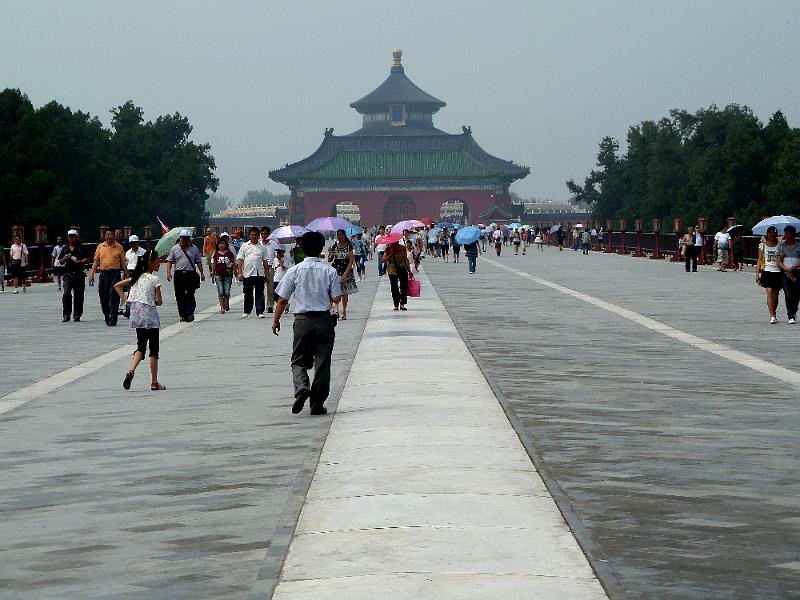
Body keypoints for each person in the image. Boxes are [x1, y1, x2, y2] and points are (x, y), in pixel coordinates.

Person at [272, 231, 342, 416]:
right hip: (324, 321)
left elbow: (281, 300)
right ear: (321, 249)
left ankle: (302, 387)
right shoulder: (330, 270)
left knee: (298, 361)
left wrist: (276, 320)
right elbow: (336, 298)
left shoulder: (294, 270)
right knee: (323, 363)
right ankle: (317, 405)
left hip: (302, 321)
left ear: (301, 247)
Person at [115, 250, 165, 391]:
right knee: (154, 349)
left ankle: (131, 370)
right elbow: (159, 301)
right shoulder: (155, 279)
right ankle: (154, 382)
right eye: (157, 261)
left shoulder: (135, 278)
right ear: (151, 263)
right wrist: (155, 301)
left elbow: (117, 286)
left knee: (141, 346)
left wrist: (127, 301)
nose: (159, 263)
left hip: (136, 314)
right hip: (150, 316)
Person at [88, 230, 127, 324]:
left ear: (114, 236)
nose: (109, 236)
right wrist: (91, 274)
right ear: (105, 236)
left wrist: (126, 275)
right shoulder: (100, 246)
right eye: (107, 235)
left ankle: (113, 317)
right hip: (104, 274)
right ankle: (107, 314)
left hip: (115, 274)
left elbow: (123, 263)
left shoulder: (119, 247)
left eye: (111, 235)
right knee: (103, 295)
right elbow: (96, 261)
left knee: (114, 296)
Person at [165, 230, 205, 322]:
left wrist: (202, 273)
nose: (185, 240)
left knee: (190, 294)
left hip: (190, 274)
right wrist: (168, 273)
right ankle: (183, 314)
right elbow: (169, 261)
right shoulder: (174, 248)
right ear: (180, 238)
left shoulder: (194, 248)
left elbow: (198, 262)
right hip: (179, 274)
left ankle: (190, 312)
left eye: (187, 238)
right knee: (179, 295)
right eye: (183, 238)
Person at [236, 227, 269, 318]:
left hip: (259, 273)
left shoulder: (262, 247)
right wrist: (239, 273)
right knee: (248, 293)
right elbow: (240, 260)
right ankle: (247, 311)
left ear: (259, 236)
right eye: (252, 235)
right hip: (248, 273)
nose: (254, 236)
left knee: (260, 293)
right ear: (249, 235)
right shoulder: (244, 246)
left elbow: (265, 261)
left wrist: (267, 274)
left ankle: (260, 312)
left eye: (256, 235)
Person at [58, 229, 89, 322]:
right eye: (70, 236)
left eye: (73, 236)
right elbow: (60, 261)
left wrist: (80, 261)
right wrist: (65, 258)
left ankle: (77, 314)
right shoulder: (65, 248)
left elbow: (87, 258)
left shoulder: (81, 247)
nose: (71, 238)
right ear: (67, 238)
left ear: (77, 237)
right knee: (66, 294)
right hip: (68, 274)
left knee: (79, 295)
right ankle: (66, 314)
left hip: (79, 273)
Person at [328, 229, 357, 320]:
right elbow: (330, 260)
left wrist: (345, 273)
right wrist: (330, 252)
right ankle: (336, 311)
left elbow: (351, 261)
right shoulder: (335, 246)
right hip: (336, 271)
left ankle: (344, 311)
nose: (339, 236)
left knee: (344, 293)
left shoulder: (349, 246)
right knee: (335, 291)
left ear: (344, 236)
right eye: (338, 235)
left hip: (346, 271)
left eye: (341, 235)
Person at [756, 226, 782, 324]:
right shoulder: (763, 245)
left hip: (777, 271)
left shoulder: (780, 244)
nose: (772, 235)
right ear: (767, 234)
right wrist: (757, 273)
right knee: (769, 292)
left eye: (774, 233)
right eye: (770, 233)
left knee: (775, 295)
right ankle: (772, 315)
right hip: (767, 271)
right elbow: (759, 259)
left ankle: (774, 312)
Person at [777, 225, 800, 324]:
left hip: (797, 271)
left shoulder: (799, 245)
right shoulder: (782, 246)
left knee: (796, 293)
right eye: (785, 233)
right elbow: (778, 260)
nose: (786, 236)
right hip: (785, 272)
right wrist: (786, 268)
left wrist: (792, 268)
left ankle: (794, 311)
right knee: (788, 293)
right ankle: (790, 315)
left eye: (788, 233)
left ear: (794, 234)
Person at [383, 237, 410, 310]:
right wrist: (390, 255)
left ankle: (402, 303)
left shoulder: (402, 248)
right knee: (394, 287)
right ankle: (396, 303)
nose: (396, 243)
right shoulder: (388, 249)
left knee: (404, 286)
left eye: (397, 241)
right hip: (392, 270)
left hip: (402, 268)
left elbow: (405, 259)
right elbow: (383, 260)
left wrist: (409, 270)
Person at [212, 236, 236, 314]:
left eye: (223, 243)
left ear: (226, 245)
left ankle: (226, 303)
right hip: (218, 275)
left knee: (227, 291)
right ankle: (222, 307)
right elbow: (214, 264)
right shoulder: (216, 254)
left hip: (228, 275)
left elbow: (233, 263)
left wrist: (236, 273)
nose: (221, 245)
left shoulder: (229, 254)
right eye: (220, 243)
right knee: (220, 291)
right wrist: (213, 273)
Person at [260, 226, 277, 313]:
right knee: (260, 288)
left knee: (270, 289)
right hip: (260, 268)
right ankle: (261, 306)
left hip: (270, 268)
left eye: (265, 233)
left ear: (269, 234)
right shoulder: (259, 244)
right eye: (262, 233)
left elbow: (278, 255)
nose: (263, 235)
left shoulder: (273, 244)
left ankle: (270, 305)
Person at [272, 246, 294, 312]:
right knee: (274, 294)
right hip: (276, 278)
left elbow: (283, 268)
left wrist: (280, 261)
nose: (278, 253)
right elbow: (274, 269)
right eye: (277, 252)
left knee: (282, 294)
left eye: (280, 252)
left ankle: (283, 305)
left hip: (282, 279)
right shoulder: (274, 260)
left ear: (283, 252)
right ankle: (284, 304)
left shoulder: (286, 259)